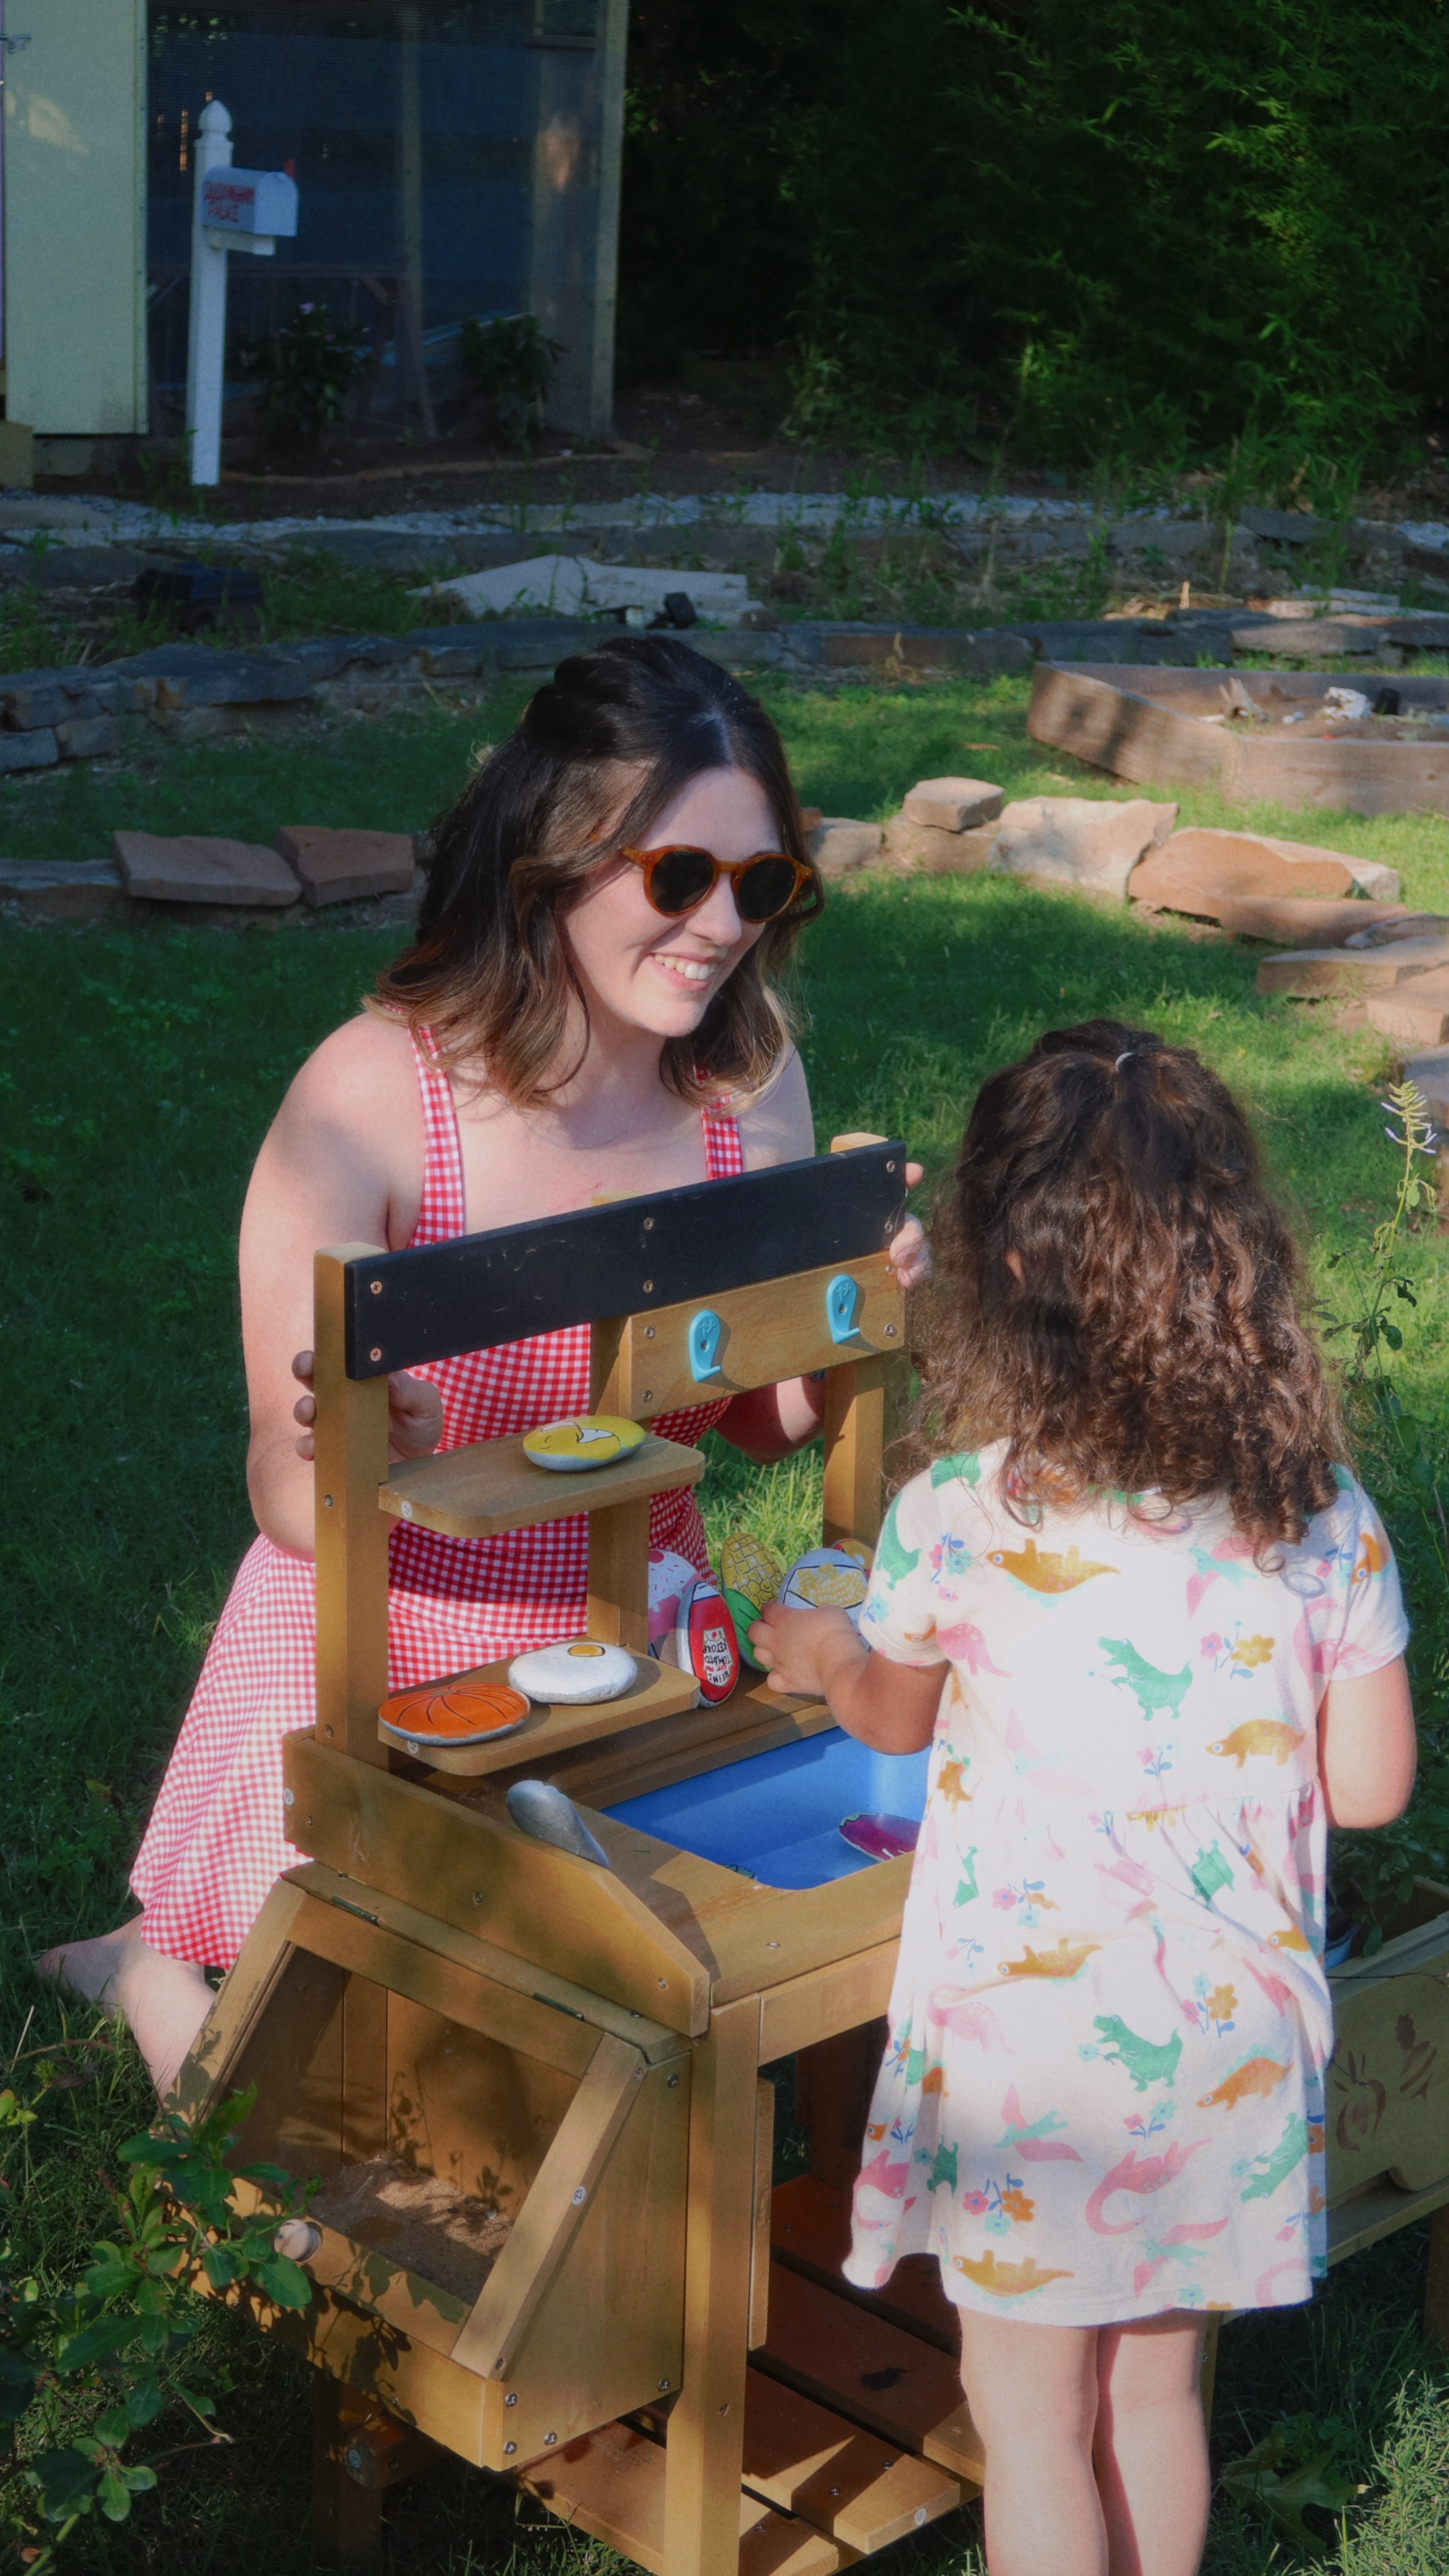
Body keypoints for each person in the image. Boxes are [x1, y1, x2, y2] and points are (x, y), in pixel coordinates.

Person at [40, 635, 925, 2093]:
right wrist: (343, 1434)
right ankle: (150, 1964)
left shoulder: (749, 1085)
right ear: (554, 858)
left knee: (645, 2026)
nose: (724, 929)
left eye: (762, 885)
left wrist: (847, 1323)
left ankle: (169, 1946)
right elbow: (280, 1485)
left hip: (645, 1637)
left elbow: (765, 1428)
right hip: (389, 1649)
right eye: (679, 878)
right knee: (352, 2089)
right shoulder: (371, 1096)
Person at [751, 1020, 1416, 2576]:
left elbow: (892, 1716)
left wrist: (818, 1649)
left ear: (997, 1262)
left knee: (1030, 2412)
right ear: (1239, 1254)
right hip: (1230, 2054)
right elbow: (1372, 1790)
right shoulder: (1320, 1514)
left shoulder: (962, 1516)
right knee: (1158, 2390)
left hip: (1029, 2059)